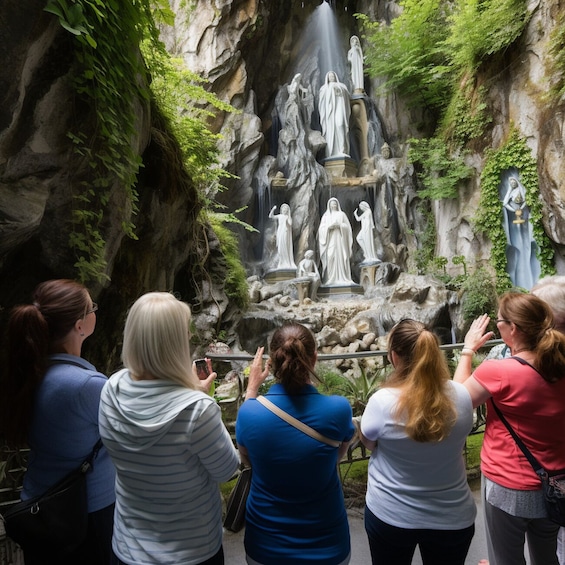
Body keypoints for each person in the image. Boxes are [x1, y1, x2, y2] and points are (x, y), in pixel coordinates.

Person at [98, 292, 239, 565]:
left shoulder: (111, 389)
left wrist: (189, 392)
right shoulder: (198, 410)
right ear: (173, 343)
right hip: (192, 551)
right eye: (184, 332)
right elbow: (226, 470)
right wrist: (203, 398)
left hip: (129, 548)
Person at [0, 279, 115, 565]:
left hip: (39, 508)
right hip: (83, 514)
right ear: (80, 325)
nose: (95, 313)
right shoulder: (87, 385)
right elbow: (131, 438)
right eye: (92, 308)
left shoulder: (30, 372)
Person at [454, 292, 565, 565]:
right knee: (547, 556)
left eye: (500, 321)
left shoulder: (499, 372)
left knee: (506, 559)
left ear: (513, 328)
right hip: (556, 484)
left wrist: (468, 349)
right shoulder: (560, 363)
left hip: (508, 485)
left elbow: (456, 400)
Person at [235, 322, 355, 565]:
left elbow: (248, 459)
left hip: (266, 546)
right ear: (314, 359)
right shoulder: (339, 409)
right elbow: (336, 457)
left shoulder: (250, 413)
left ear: (272, 362)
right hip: (327, 546)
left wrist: (252, 389)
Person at [360, 319, 476, 565]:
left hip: (391, 514)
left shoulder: (382, 401)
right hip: (452, 516)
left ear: (394, 356)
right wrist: (468, 350)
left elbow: (369, 442)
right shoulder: (462, 397)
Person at [501, 175, 540, 289]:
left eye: (514, 182)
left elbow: (525, 199)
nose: (513, 184)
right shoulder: (511, 192)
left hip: (524, 215)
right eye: (511, 182)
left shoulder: (520, 191)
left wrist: (522, 207)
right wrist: (514, 209)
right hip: (515, 215)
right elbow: (505, 203)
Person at [318, 197, 354, 285]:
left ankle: (343, 277)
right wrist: (328, 227)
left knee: (341, 256)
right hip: (330, 239)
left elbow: (348, 228)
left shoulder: (342, 214)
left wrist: (340, 226)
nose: (333, 205)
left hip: (340, 239)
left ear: (337, 204)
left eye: (335, 203)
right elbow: (321, 229)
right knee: (330, 256)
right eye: (332, 203)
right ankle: (331, 278)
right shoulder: (326, 216)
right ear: (329, 205)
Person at [318, 71, 351, 157]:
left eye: (333, 76)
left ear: (335, 77)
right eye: (330, 76)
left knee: (340, 124)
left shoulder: (341, 86)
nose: (331, 77)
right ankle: (331, 152)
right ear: (327, 78)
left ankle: (342, 149)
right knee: (330, 131)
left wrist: (338, 89)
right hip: (329, 114)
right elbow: (321, 102)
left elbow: (347, 96)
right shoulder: (324, 88)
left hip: (339, 108)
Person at [269, 203, 296, 269]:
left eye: (286, 209)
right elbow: (271, 216)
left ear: (288, 211)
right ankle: (281, 262)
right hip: (280, 232)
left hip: (285, 232)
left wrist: (286, 222)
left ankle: (286, 262)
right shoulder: (280, 216)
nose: (285, 210)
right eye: (284, 208)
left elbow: (290, 224)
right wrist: (273, 209)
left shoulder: (288, 217)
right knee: (280, 248)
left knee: (285, 246)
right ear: (281, 209)